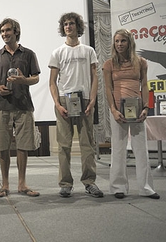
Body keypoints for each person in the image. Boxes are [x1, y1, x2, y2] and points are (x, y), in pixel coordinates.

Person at [48, 12, 103, 198]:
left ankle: (89, 182)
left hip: (85, 99)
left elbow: (95, 77)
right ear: (62, 28)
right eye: (65, 24)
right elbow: (52, 82)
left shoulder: (89, 51)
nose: (68, 26)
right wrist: (57, 104)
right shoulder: (57, 52)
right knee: (64, 144)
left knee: (87, 143)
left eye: (71, 23)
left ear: (77, 26)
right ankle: (65, 183)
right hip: (65, 100)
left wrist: (93, 99)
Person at [0, 18, 41, 198]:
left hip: (24, 105)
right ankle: (5, 184)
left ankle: (22, 184)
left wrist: (23, 80)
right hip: (2, 106)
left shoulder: (28, 54)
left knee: (23, 146)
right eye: (2, 31)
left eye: (8, 30)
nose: (4, 34)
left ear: (16, 31)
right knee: (2, 146)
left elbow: (36, 78)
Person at [103, 29, 160, 199]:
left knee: (141, 150)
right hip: (118, 111)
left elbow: (144, 85)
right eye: (117, 41)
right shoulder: (109, 64)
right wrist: (113, 110)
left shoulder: (141, 62)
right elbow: (108, 88)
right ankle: (118, 187)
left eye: (123, 41)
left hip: (137, 111)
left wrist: (145, 108)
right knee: (118, 150)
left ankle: (146, 188)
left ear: (130, 43)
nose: (119, 44)